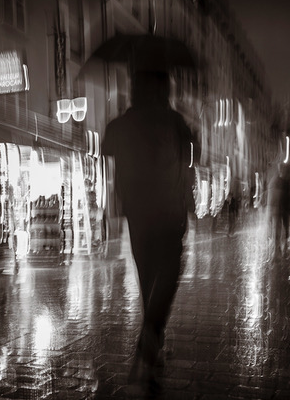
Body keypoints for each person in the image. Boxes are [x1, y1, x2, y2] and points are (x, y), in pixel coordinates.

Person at [102, 69, 197, 392]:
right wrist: (188, 200)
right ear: (164, 90)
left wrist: (118, 203)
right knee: (168, 276)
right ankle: (149, 343)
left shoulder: (123, 124)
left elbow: (111, 158)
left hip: (138, 216)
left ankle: (152, 341)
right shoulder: (175, 123)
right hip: (169, 214)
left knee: (148, 280)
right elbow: (187, 165)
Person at [267, 162, 290, 256]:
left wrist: (269, 212)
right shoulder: (284, 183)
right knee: (282, 229)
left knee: (277, 230)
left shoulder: (273, 181)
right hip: (281, 210)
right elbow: (287, 198)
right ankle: (281, 249)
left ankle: (278, 250)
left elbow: (270, 198)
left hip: (277, 210)